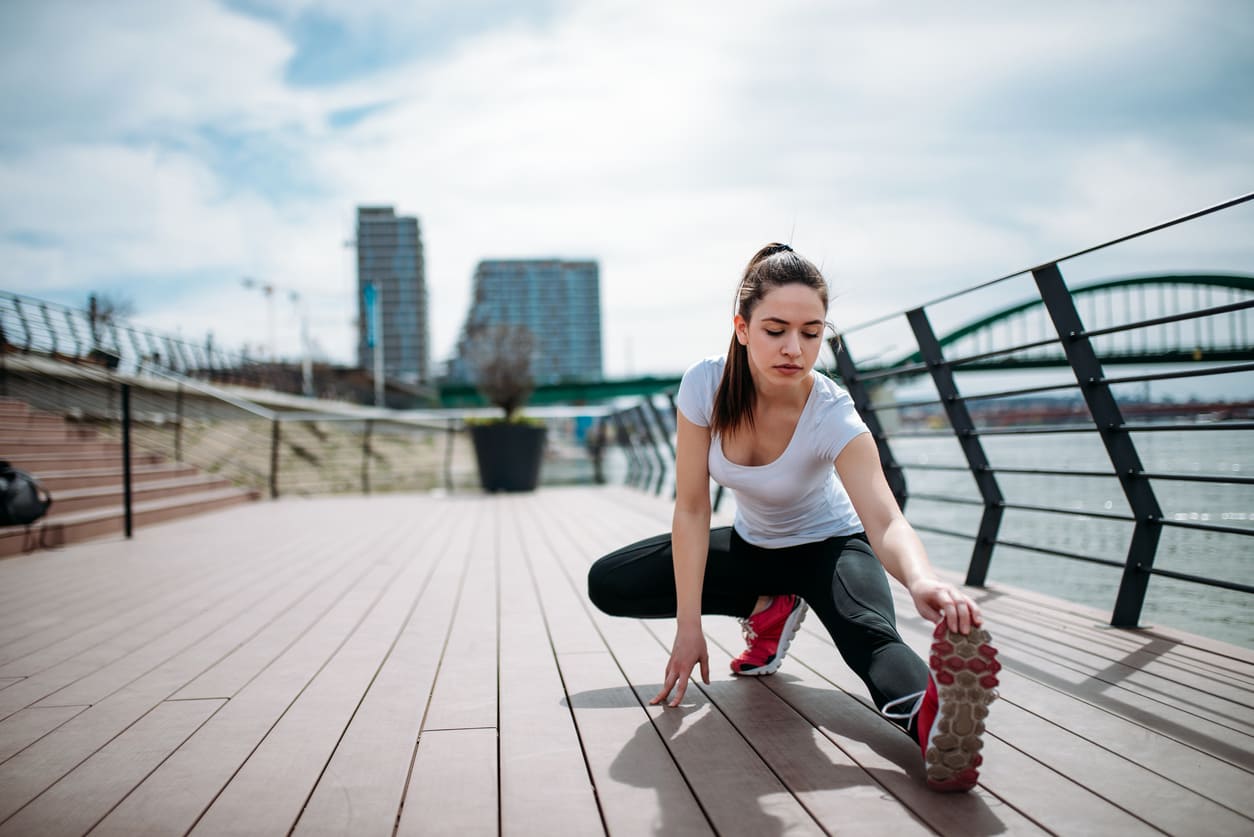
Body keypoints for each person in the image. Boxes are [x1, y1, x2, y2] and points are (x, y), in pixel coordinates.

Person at [587, 243, 1000, 792]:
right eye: (776, 329)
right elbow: (690, 508)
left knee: (869, 639)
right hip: (752, 547)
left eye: (812, 332)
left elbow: (884, 518)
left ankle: (936, 726)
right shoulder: (705, 385)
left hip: (829, 548)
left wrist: (922, 580)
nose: (795, 348)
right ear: (742, 327)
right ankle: (770, 609)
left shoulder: (831, 410)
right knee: (609, 583)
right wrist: (689, 627)